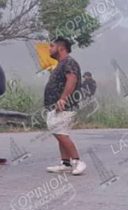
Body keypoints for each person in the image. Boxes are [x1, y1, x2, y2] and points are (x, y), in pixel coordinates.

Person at [44, 37, 86, 175]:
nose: (49, 49)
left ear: (61, 48)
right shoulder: (60, 64)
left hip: (65, 106)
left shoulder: (69, 62)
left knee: (60, 132)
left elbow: (72, 79)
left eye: (51, 46)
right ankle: (66, 163)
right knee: (60, 132)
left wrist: (63, 99)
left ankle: (77, 161)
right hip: (56, 107)